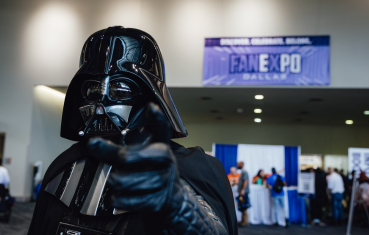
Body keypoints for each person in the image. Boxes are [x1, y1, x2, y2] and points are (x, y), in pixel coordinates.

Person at [28, 27, 237, 235]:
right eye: (92, 89)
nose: (101, 102)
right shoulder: (65, 165)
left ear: (149, 96)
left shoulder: (191, 168)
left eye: (119, 89)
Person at [237, 161, 250, 227]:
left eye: (238, 164)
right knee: (242, 206)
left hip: (243, 193)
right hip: (242, 192)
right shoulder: (242, 172)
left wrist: (242, 190)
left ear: (242, 164)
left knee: (244, 206)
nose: (237, 165)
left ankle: (246, 221)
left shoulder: (244, 172)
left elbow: (245, 181)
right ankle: (242, 220)